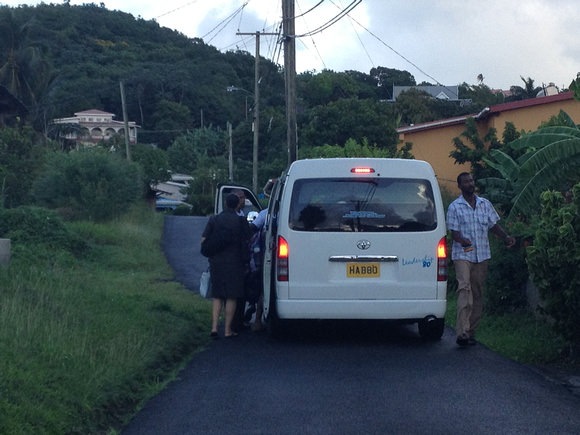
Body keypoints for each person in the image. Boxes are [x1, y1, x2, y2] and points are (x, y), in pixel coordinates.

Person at [446, 172, 515, 347]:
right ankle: (461, 332)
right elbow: (454, 232)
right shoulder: (455, 207)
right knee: (464, 289)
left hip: (482, 255)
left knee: (477, 293)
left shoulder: (485, 204)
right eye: (466, 182)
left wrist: (506, 237)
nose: (470, 183)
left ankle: (470, 332)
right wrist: (462, 240)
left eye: (471, 180)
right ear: (460, 186)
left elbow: (493, 226)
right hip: (463, 255)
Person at [201, 193, 251, 338]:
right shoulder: (240, 221)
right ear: (237, 205)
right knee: (231, 296)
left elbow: (203, 240)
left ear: (225, 203)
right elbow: (249, 238)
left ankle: (214, 328)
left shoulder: (214, 219)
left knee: (217, 295)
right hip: (235, 262)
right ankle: (228, 330)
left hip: (216, 262)